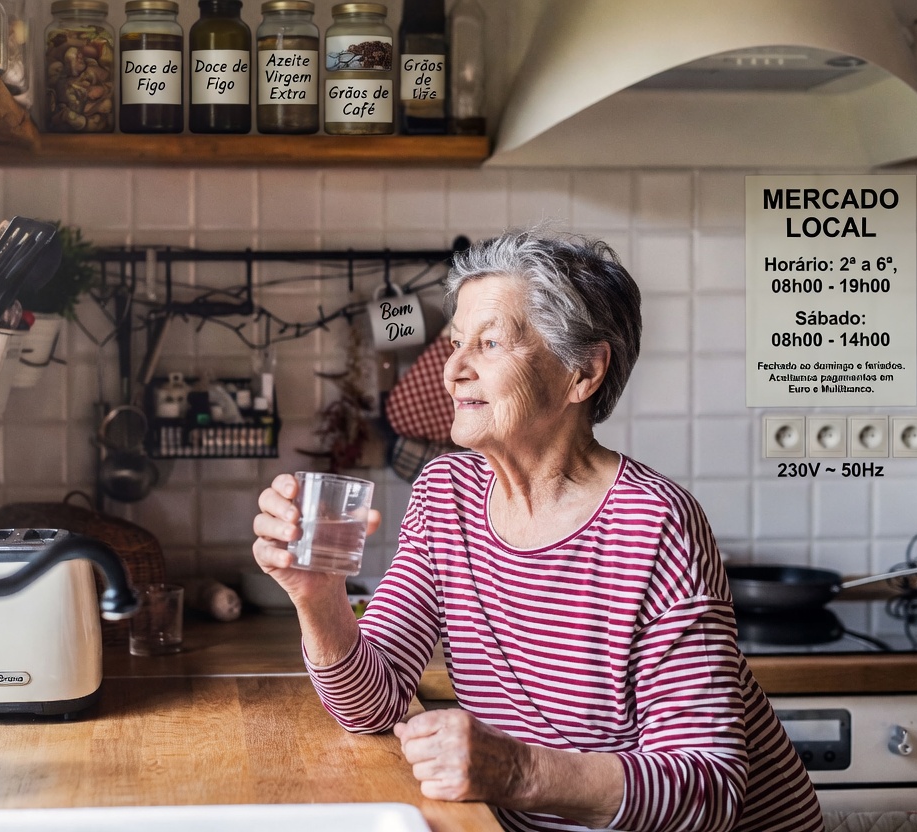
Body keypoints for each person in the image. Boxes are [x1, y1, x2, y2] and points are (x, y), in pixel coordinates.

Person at [252, 230, 822, 832]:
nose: (452, 370)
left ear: (583, 371)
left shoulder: (655, 524)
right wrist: (319, 598)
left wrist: (518, 772)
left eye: (490, 343)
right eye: (456, 343)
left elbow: (708, 792)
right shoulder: (445, 494)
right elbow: (373, 703)